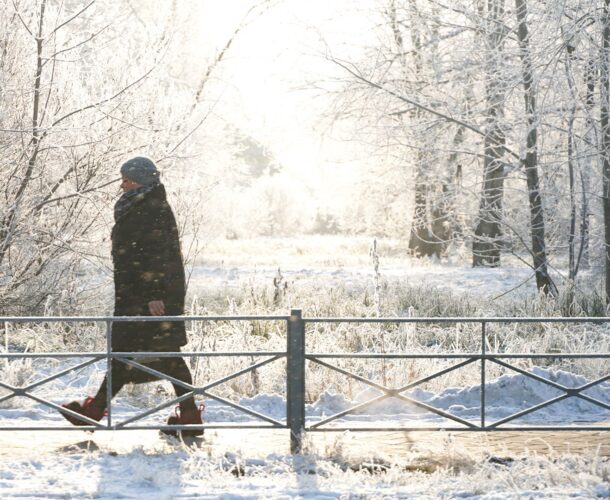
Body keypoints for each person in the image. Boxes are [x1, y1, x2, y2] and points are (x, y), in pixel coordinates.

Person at [60, 157, 203, 436]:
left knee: (140, 353)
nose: (122, 184)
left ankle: (95, 410)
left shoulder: (151, 207)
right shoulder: (142, 204)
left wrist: (153, 294)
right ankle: (188, 415)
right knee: (153, 354)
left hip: (149, 298)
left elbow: (156, 255)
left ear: (141, 181)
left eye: (128, 179)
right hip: (139, 295)